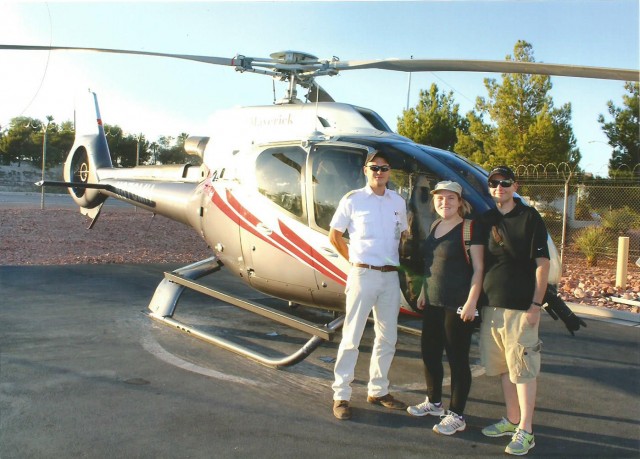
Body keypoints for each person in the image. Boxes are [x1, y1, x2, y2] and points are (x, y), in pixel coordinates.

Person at [328, 150, 409, 420]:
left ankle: (378, 389)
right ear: (366, 170)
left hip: (390, 276)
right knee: (352, 337)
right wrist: (353, 260)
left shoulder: (398, 201)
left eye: (384, 168)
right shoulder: (353, 200)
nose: (379, 172)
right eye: (374, 168)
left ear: (390, 172)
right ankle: (341, 395)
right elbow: (335, 235)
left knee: (388, 337)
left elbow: (403, 236)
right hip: (363, 274)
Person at [479, 166, 550, 456]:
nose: (500, 187)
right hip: (492, 307)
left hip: (522, 309)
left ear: (515, 185)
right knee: (504, 370)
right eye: (494, 183)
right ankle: (511, 420)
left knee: (523, 371)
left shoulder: (530, 217)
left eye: (505, 183)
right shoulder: (487, 219)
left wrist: (535, 305)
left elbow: (542, 264)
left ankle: (527, 430)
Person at [406, 181, 484, 436]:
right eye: (440, 198)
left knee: (457, 360)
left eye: (450, 198)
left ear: (460, 202)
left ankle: (457, 415)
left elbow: (479, 270)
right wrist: (424, 292)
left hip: (458, 305)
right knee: (429, 353)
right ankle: (434, 402)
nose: (444, 203)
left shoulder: (469, 229)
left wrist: (472, 302)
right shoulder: (435, 225)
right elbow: (431, 264)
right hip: (434, 303)